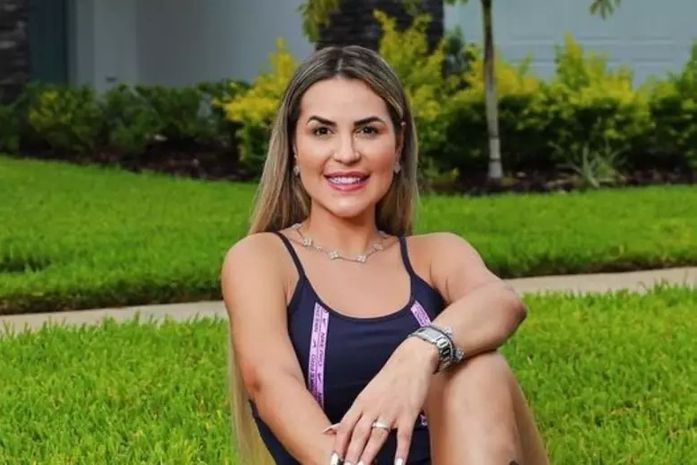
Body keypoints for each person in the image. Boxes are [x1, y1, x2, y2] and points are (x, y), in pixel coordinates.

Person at [220, 45, 549, 465]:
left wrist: (416, 357)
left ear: (398, 144)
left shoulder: (435, 254)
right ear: (294, 149)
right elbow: (270, 382)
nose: (346, 153)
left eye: (368, 130)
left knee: (479, 370)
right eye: (322, 131)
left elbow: (501, 301)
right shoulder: (263, 259)